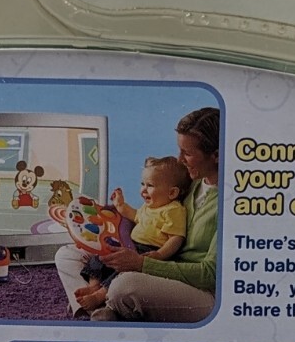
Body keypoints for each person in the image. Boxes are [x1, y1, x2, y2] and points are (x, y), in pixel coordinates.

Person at [55, 106, 221, 322]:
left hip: (201, 290)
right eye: (180, 150)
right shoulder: (193, 182)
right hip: (161, 265)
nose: (180, 160)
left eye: (187, 153)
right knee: (68, 255)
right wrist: (111, 220)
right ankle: (97, 311)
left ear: (217, 155)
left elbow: (210, 275)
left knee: (124, 286)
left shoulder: (232, 205)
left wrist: (142, 264)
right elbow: (155, 214)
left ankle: (106, 307)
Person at [74, 155, 191, 313]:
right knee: (101, 256)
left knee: (123, 271)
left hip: (148, 250)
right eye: (142, 184)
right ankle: (93, 285)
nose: (143, 190)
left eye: (150, 185)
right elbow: (134, 215)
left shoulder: (173, 210)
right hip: (130, 245)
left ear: (172, 193)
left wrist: (160, 254)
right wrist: (120, 205)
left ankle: (99, 295)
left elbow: (176, 238)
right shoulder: (148, 207)